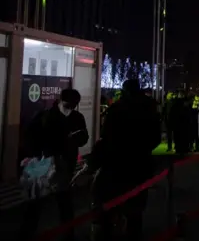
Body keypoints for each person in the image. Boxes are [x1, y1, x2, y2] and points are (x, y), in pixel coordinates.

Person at [92, 79, 161, 240]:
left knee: (112, 202)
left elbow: (106, 135)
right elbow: (155, 137)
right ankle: (133, 232)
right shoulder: (148, 109)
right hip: (140, 163)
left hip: (116, 163)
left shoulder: (117, 109)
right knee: (136, 207)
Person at [21, 88, 89, 241]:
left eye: (74, 105)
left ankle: (68, 234)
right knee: (35, 205)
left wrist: (76, 138)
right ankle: (26, 234)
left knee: (64, 204)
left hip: (64, 166)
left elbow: (84, 137)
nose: (70, 109)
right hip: (44, 166)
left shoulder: (77, 117)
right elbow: (30, 138)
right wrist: (36, 155)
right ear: (60, 100)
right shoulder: (44, 116)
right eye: (68, 105)